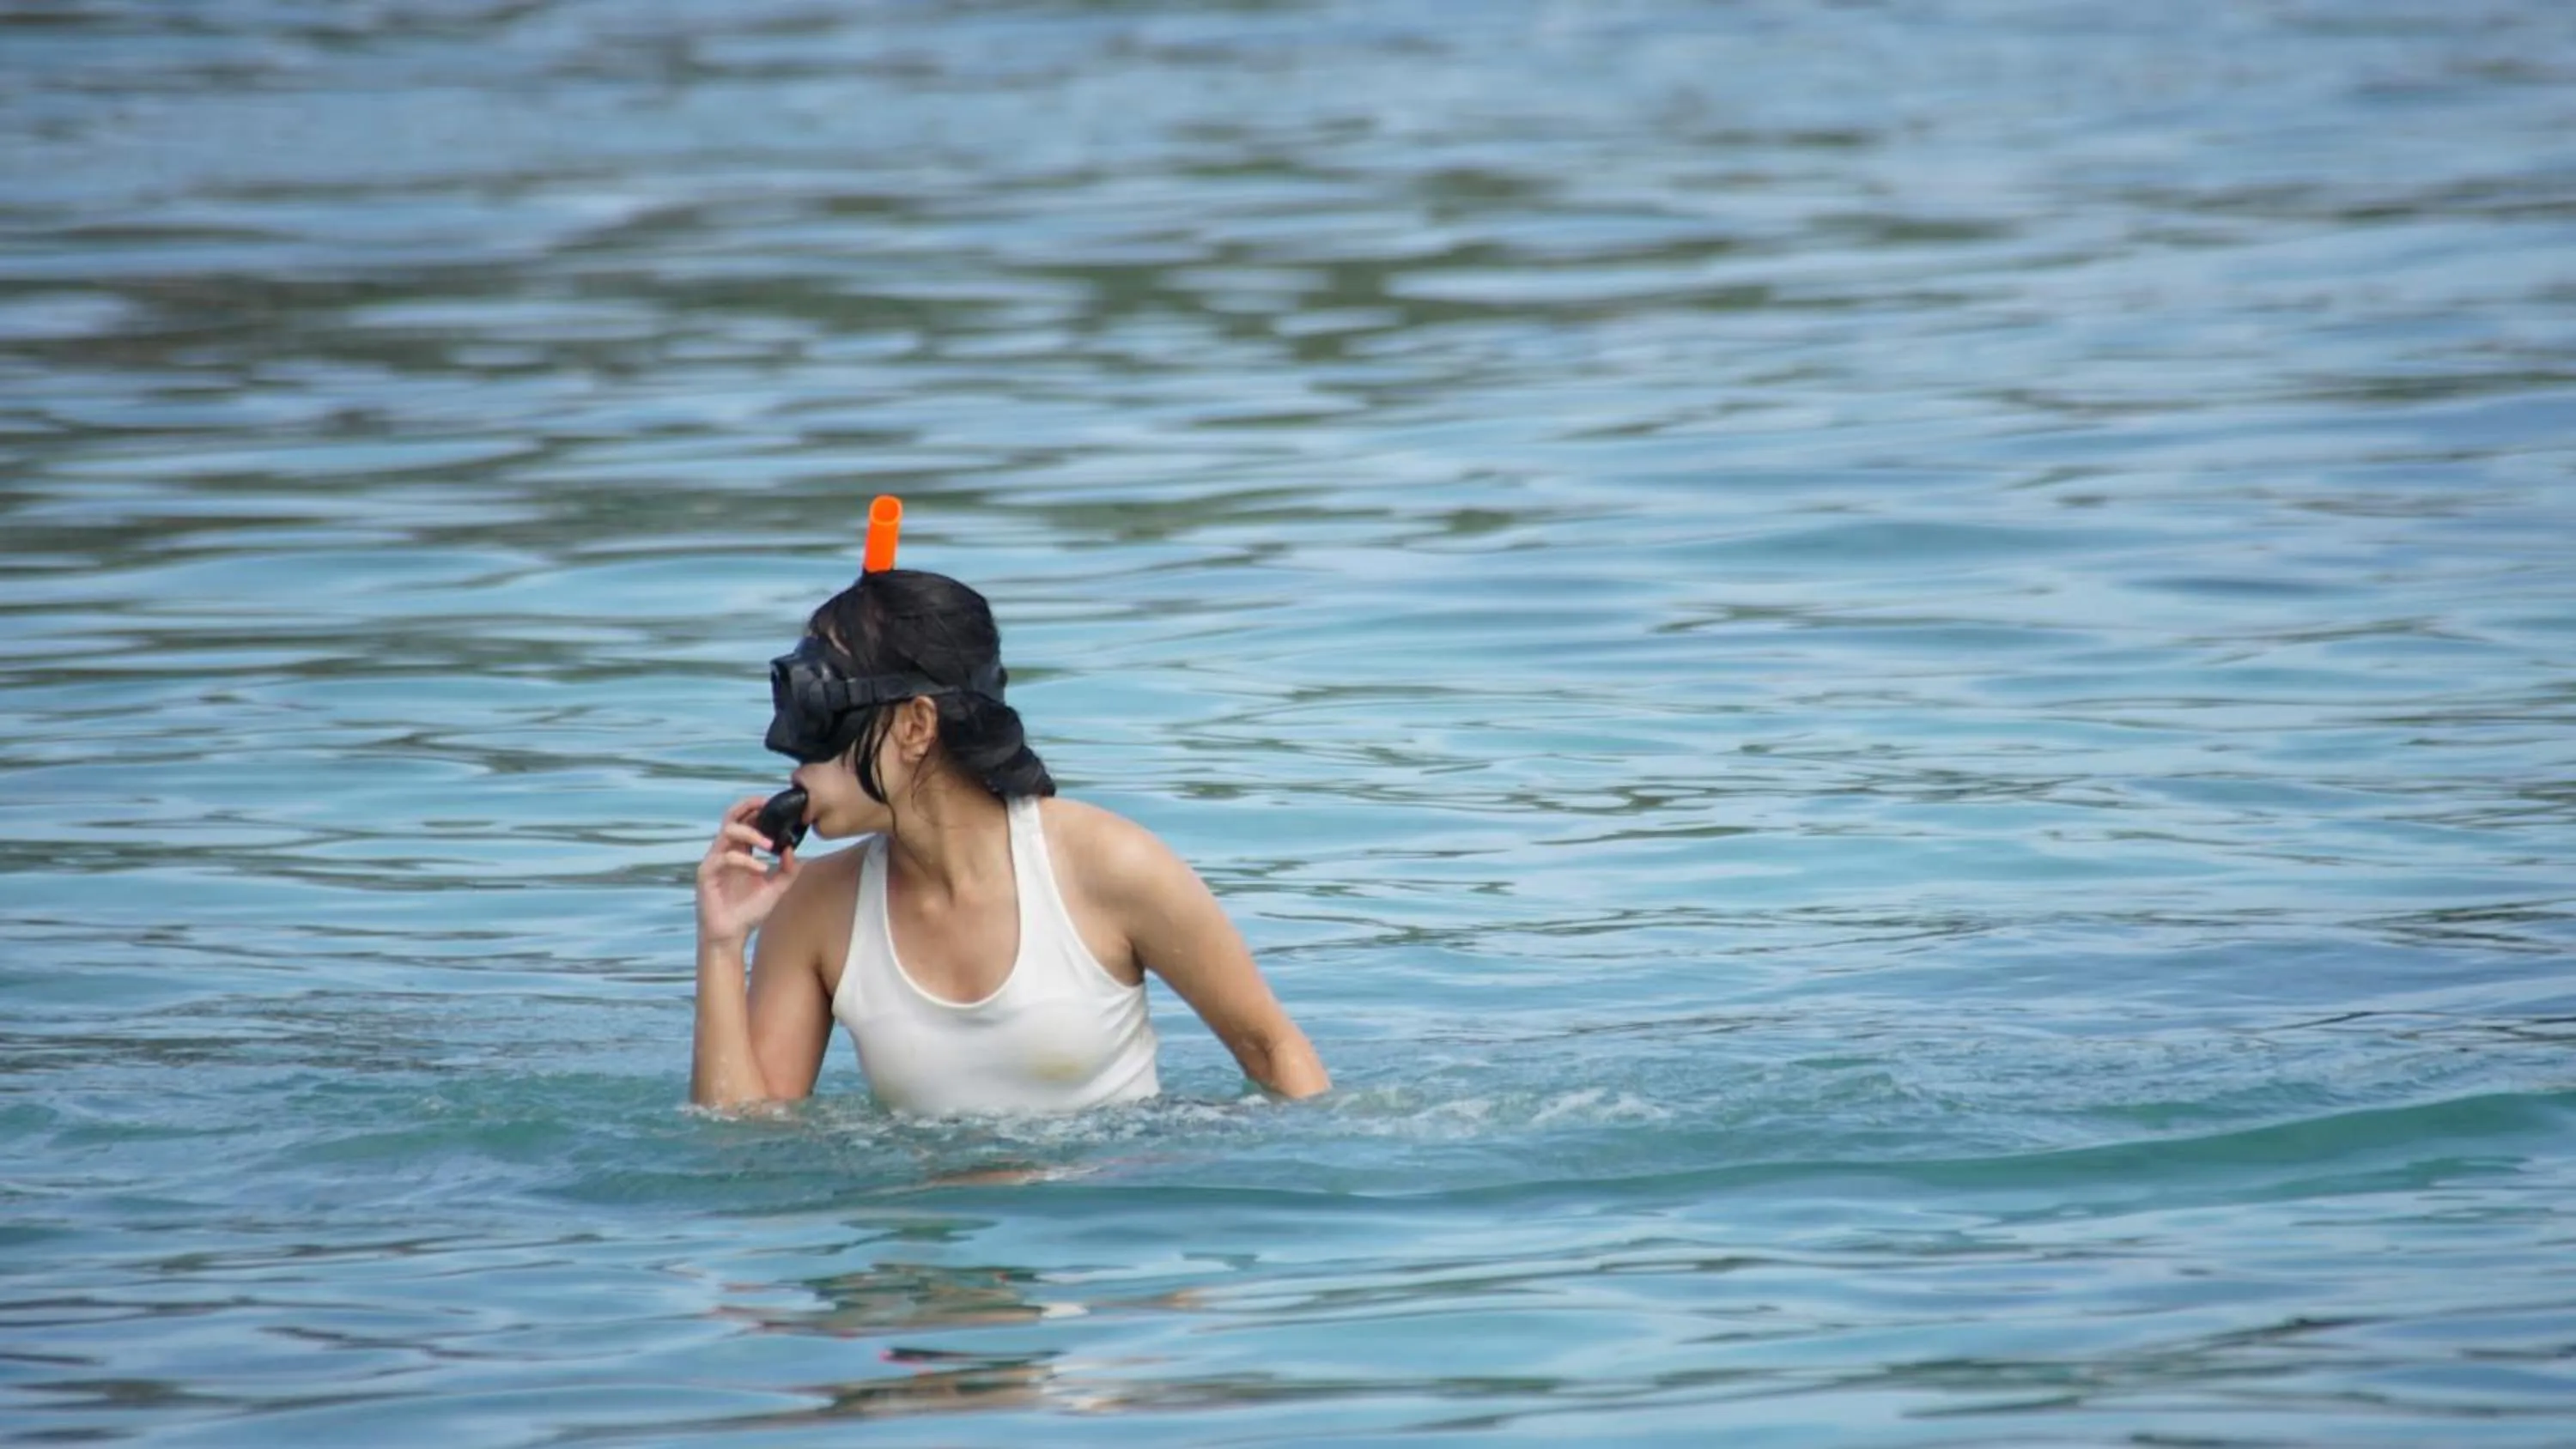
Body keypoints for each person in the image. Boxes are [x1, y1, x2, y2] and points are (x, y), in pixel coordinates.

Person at [690, 566, 1329, 1115]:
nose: (789, 748)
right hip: (913, 1246)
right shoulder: (814, 910)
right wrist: (722, 943)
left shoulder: (1108, 867)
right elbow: (748, 1148)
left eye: (820, 715)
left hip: (1104, 1234)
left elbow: (1274, 1050)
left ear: (916, 726)